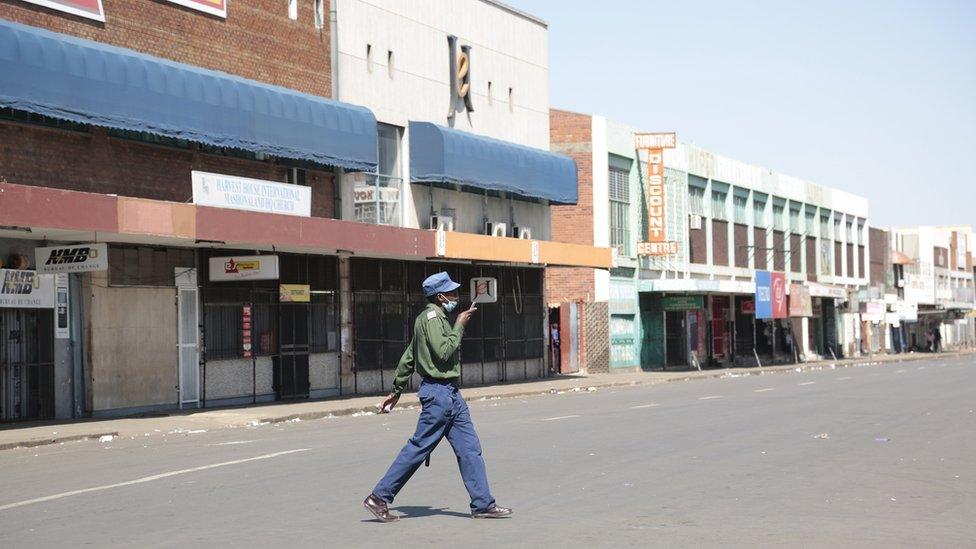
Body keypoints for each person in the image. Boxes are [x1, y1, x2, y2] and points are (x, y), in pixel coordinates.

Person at [363, 272, 512, 522]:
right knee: (418, 448)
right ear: (440, 296)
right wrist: (460, 325)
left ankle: (483, 504)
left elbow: (409, 357)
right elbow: (444, 351)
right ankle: (378, 498)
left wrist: (395, 391)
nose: (456, 296)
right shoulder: (432, 318)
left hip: (451, 394)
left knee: (470, 449)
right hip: (438, 393)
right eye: (452, 293)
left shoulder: (436, 318)